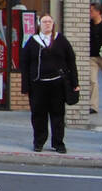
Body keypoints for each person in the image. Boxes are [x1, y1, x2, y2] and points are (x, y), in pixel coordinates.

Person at [19, 13, 80, 154]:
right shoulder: (33, 41)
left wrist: (74, 82)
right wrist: (25, 86)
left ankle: (58, 143)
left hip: (57, 84)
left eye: (49, 21)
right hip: (38, 85)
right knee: (38, 114)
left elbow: (71, 61)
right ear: (39, 24)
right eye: (44, 21)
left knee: (58, 114)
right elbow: (25, 64)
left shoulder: (61, 40)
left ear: (53, 24)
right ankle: (39, 142)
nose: (47, 24)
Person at [88, 2, 102, 115]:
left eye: (91, 11)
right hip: (92, 56)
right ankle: (93, 105)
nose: (89, 13)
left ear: (98, 12)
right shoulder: (89, 25)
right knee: (92, 81)